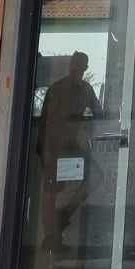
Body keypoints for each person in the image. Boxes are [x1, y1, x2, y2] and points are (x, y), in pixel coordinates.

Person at [35, 51, 102, 255]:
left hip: (72, 147)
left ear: (85, 69)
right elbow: (46, 123)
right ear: (70, 65)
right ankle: (51, 239)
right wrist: (46, 152)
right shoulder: (56, 90)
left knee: (96, 176)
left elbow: (99, 114)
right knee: (50, 192)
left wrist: (88, 128)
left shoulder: (87, 90)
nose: (76, 69)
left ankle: (64, 215)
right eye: (74, 64)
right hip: (53, 147)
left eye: (80, 66)